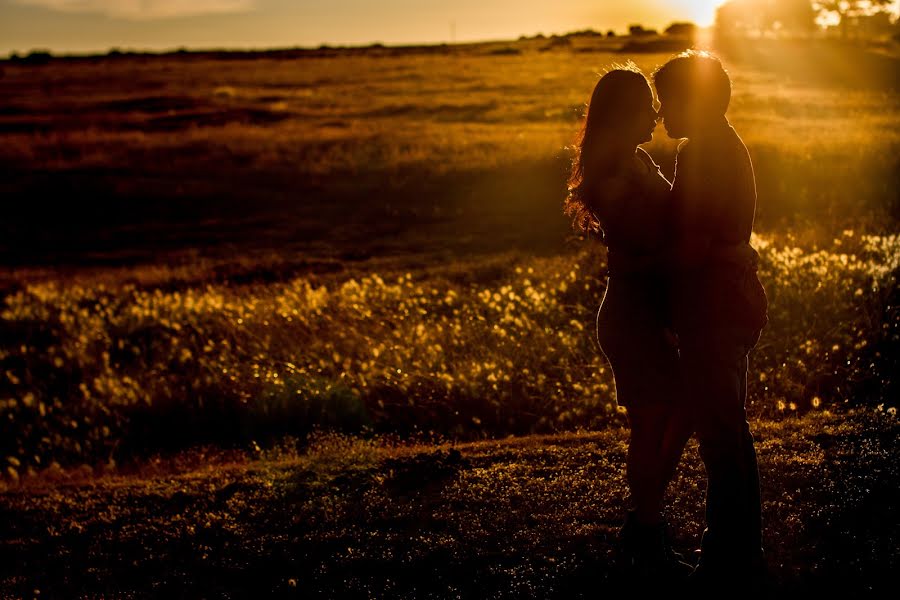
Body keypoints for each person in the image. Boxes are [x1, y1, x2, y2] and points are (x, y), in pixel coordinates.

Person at [564, 64, 695, 583]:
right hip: (635, 312)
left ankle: (644, 523)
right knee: (652, 424)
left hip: (648, 308)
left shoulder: (635, 159)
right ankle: (644, 529)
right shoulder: (614, 172)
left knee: (675, 415)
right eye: (647, 106)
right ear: (624, 114)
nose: (657, 114)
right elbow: (644, 249)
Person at [651, 50, 769, 590]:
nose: (660, 115)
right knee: (729, 431)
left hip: (713, 307)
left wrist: (643, 266)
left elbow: (694, 245)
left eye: (665, 101)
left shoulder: (701, 154)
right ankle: (743, 549)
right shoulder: (725, 144)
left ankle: (726, 559)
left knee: (720, 436)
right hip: (734, 299)